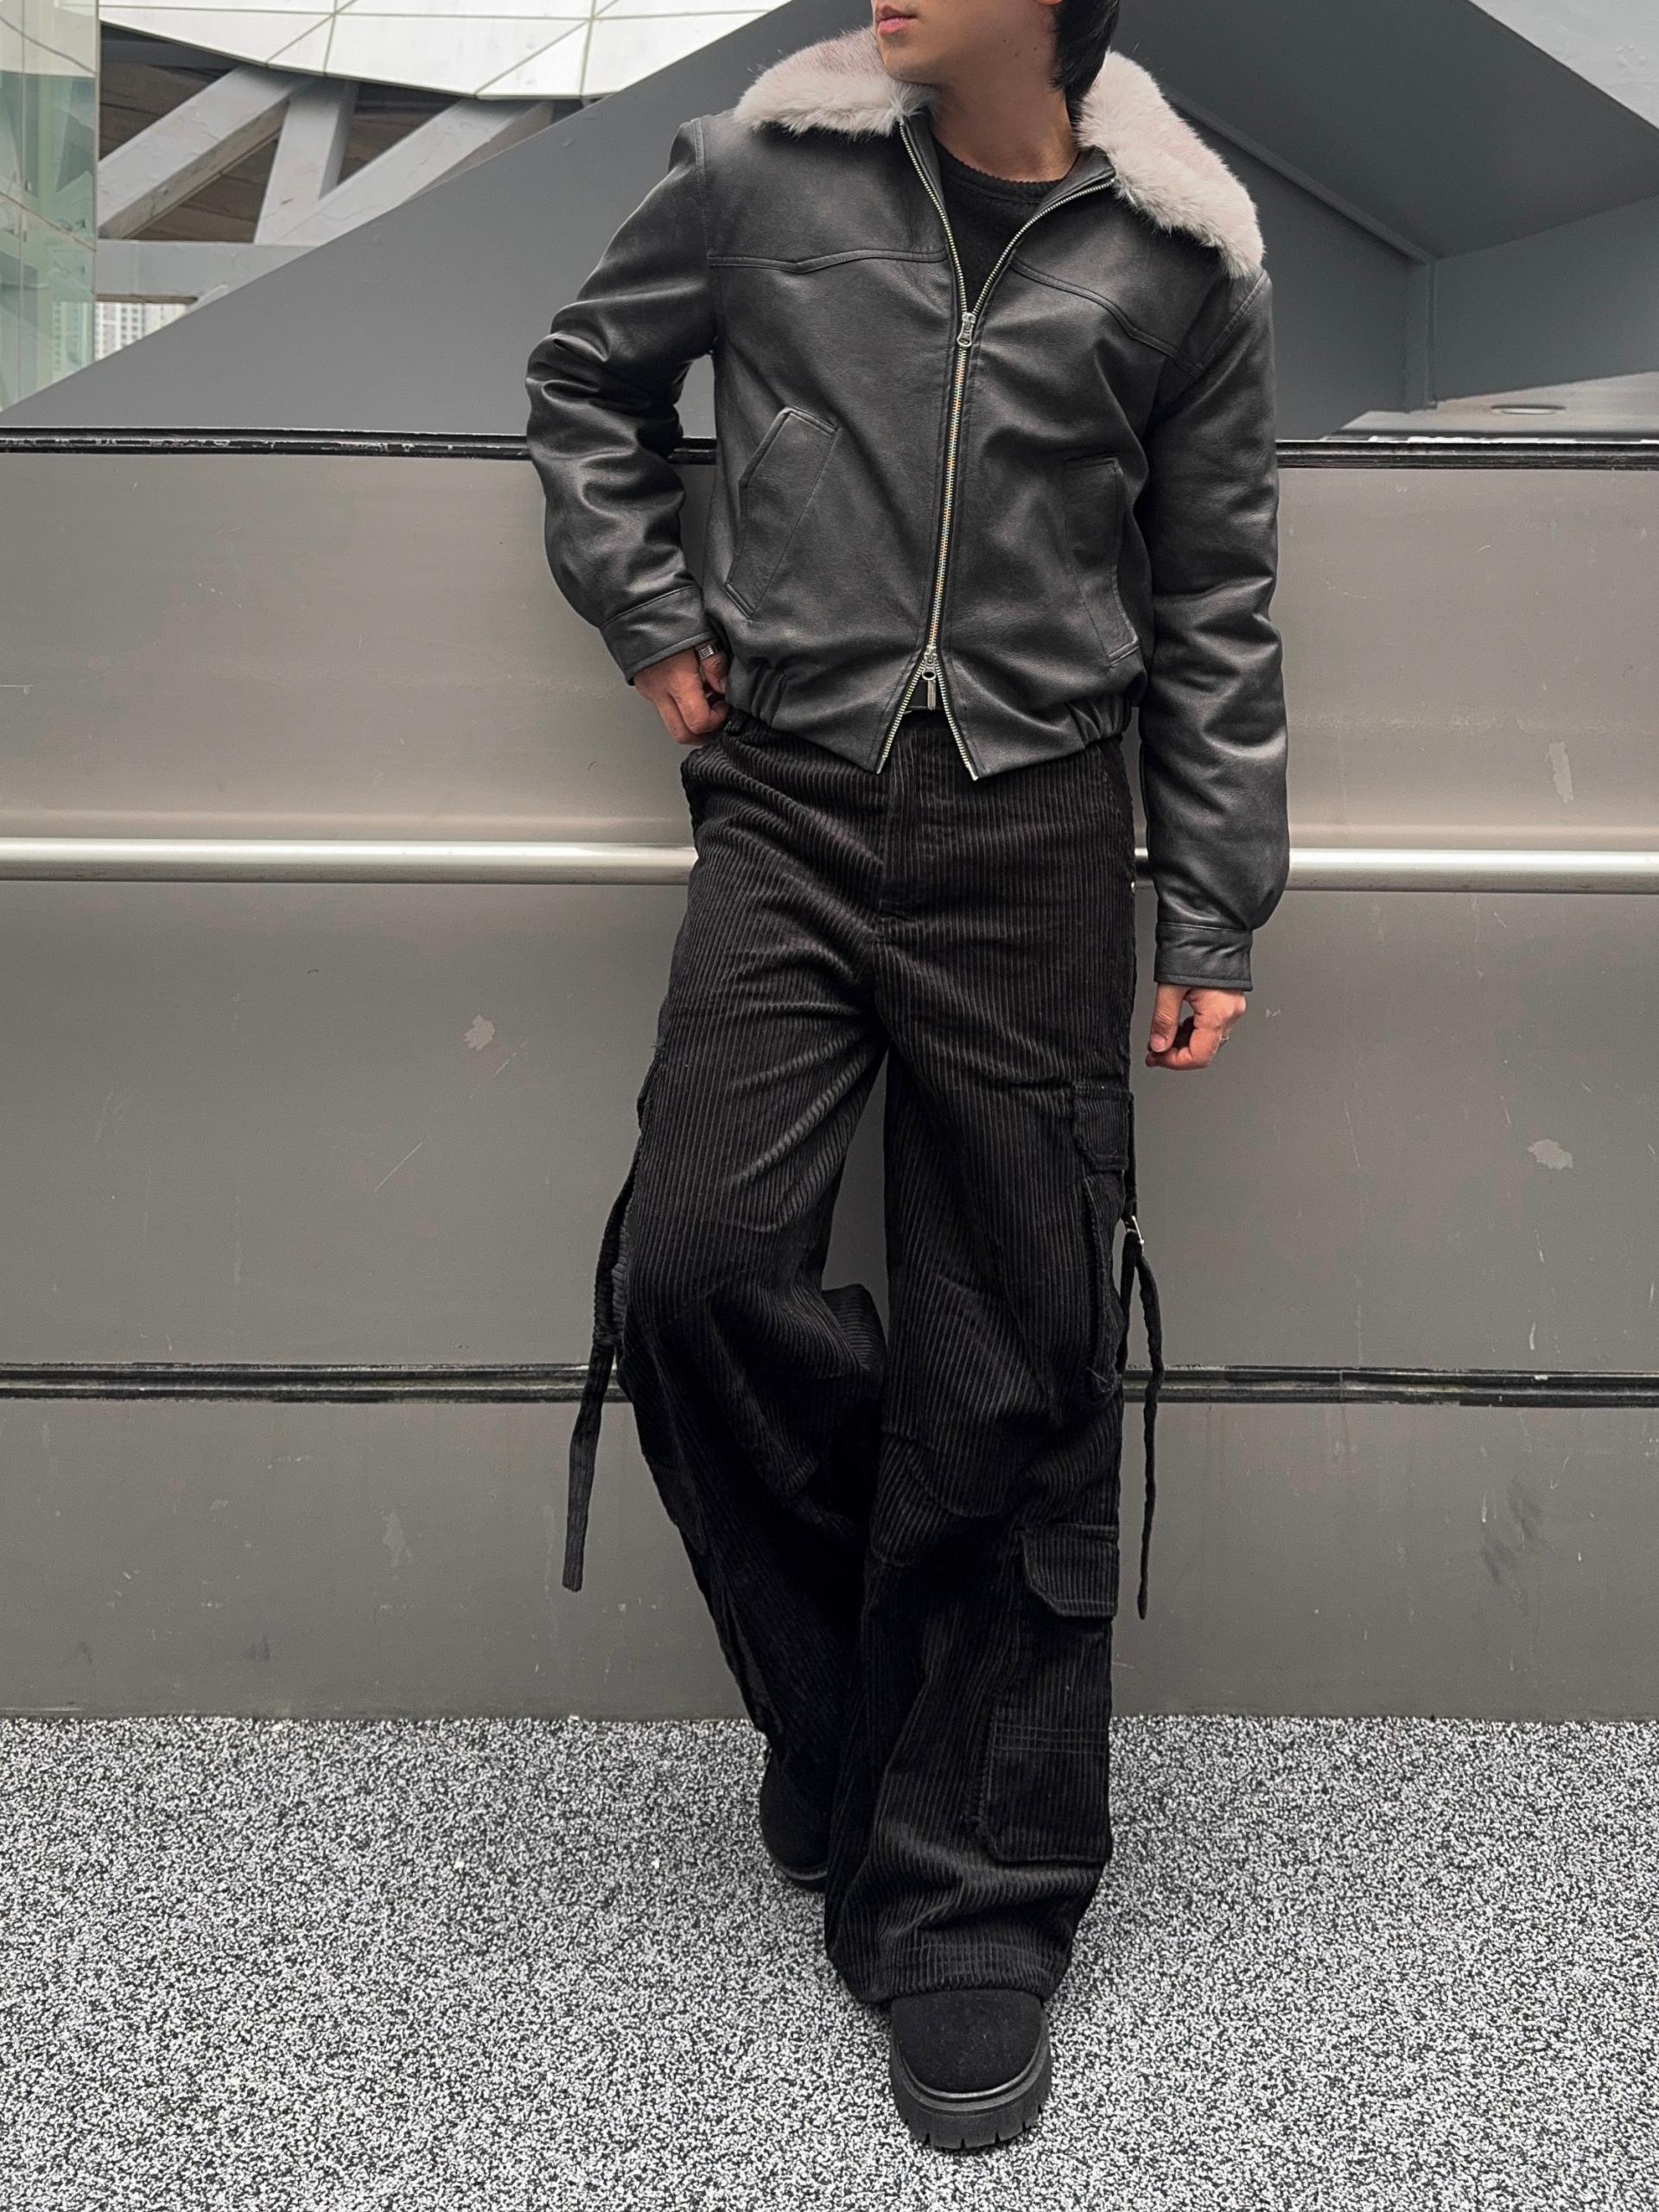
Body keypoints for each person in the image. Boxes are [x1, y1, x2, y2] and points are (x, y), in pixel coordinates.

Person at [524, 0, 1289, 2153]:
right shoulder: (754, 177)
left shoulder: (1179, 261)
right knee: (696, 1271)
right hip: (786, 799)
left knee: (1017, 1356)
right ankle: (864, 1706)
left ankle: (974, 1890)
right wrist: (647, 609)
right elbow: (584, 380)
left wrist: (1213, 901)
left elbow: (1219, 592)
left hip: (1039, 826)